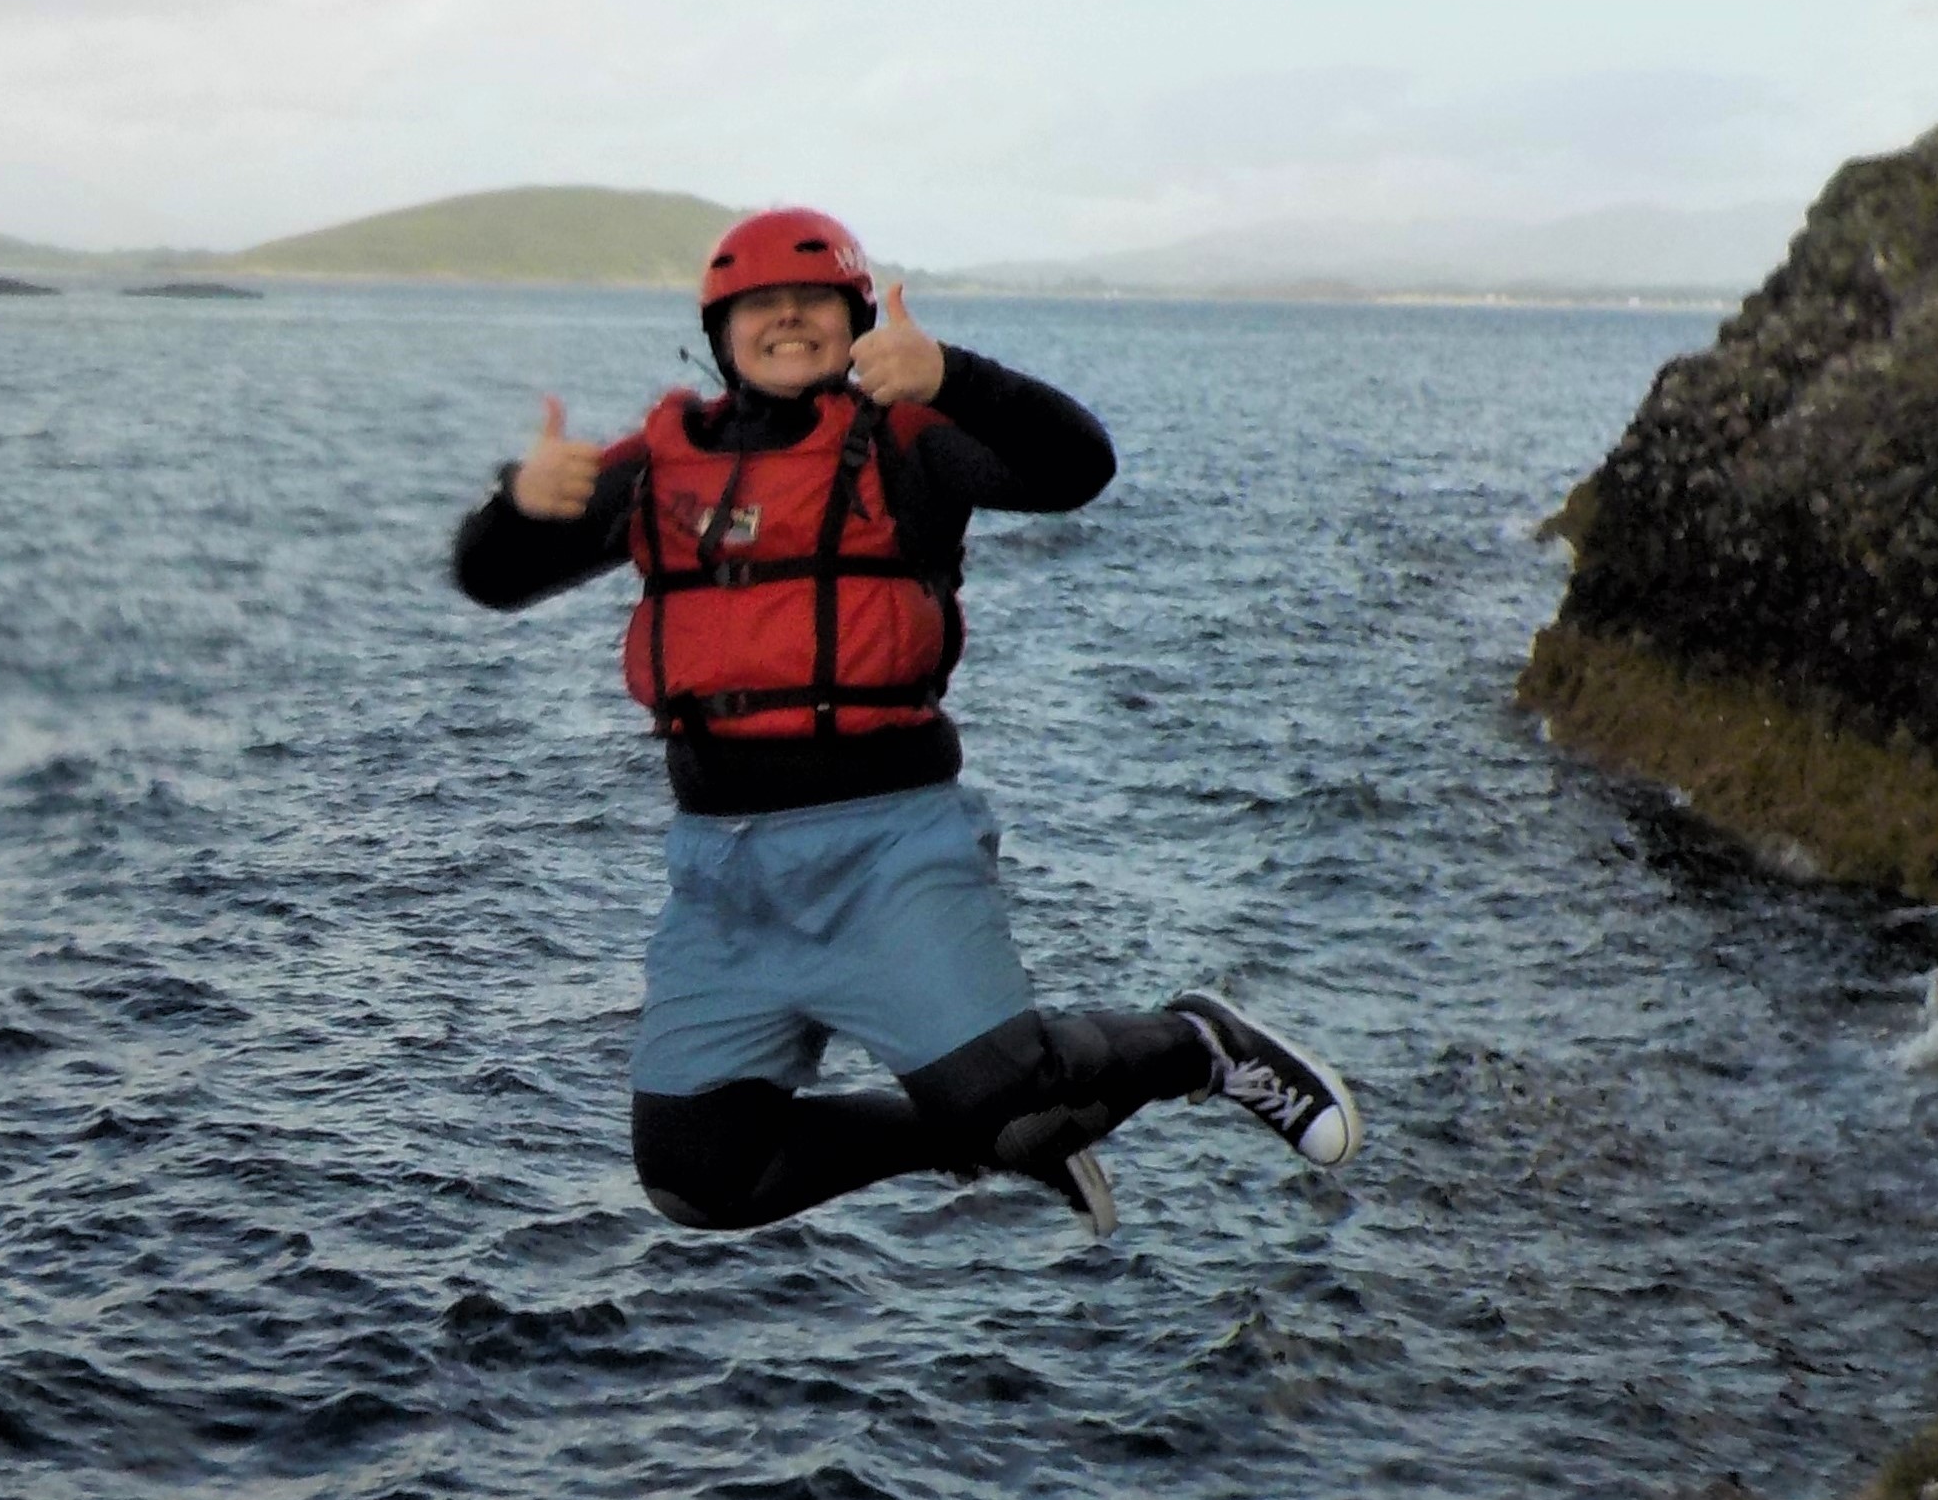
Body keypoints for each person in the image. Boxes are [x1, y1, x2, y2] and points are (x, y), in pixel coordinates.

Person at [451, 207, 1358, 1239]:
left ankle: (1201, 1044)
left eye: (814, 301)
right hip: (721, 875)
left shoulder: (905, 439)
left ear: (855, 323)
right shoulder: (658, 465)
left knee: (1009, 1099)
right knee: (699, 1179)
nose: (788, 318)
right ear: (719, 332)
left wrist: (953, 377)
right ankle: (991, 1140)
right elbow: (493, 579)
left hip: (886, 846)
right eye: (760, 304)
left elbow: (1077, 469)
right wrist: (516, 504)